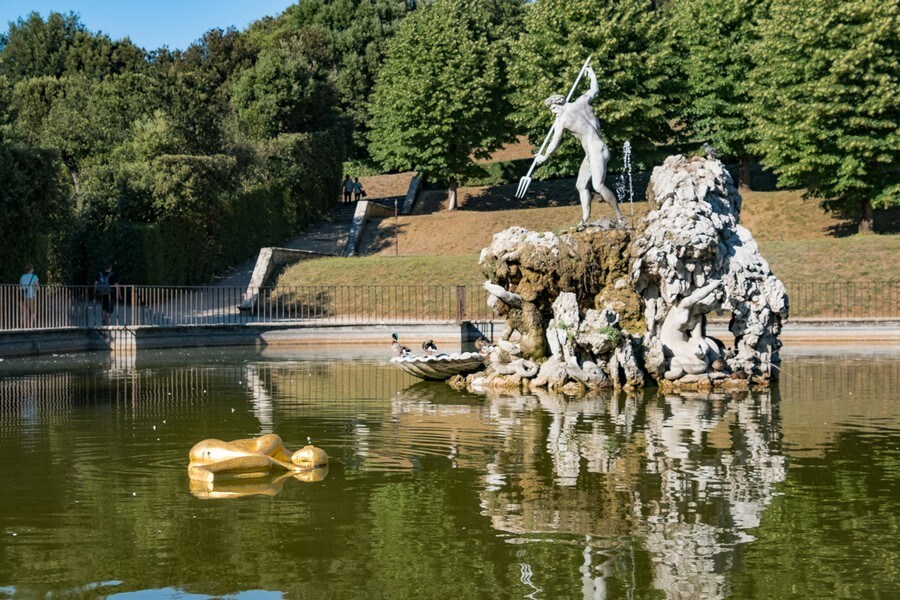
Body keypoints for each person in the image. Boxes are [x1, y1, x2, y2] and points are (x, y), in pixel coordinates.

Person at [534, 65, 623, 225]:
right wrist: (592, 74)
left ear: (560, 102)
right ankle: (585, 219)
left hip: (596, 149)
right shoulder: (580, 102)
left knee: (598, 185)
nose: (553, 112)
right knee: (581, 185)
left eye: (553, 108)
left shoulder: (561, 121)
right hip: (591, 153)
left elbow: (554, 142)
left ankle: (619, 217)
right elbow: (594, 89)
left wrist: (544, 156)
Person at [19, 263, 40, 328]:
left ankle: (24, 326)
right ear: (31, 269)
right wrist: (37, 288)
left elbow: (20, 287)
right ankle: (31, 326)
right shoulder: (34, 276)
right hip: (31, 296)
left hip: (23, 296)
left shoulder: (22, 276)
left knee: (25, 312)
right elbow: (37, 288)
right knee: (33, 311)